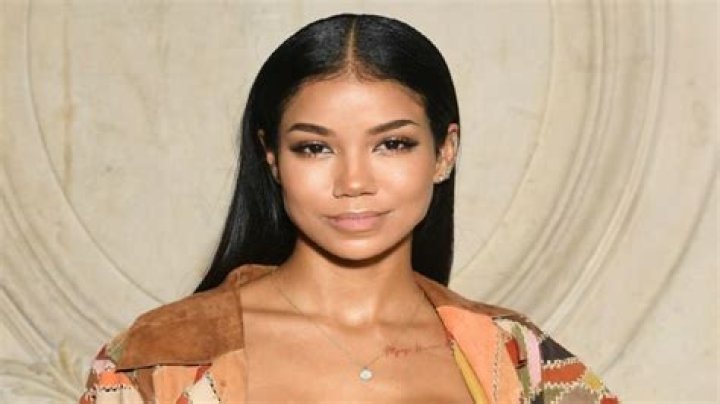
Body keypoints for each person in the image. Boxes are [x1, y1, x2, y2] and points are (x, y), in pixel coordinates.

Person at [80, 13, 617, 403]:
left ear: (444, 152)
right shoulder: (158, 358)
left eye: (393, 144)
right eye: (315, 148)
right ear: (272, 158)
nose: (354, 182)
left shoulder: (517, 359)